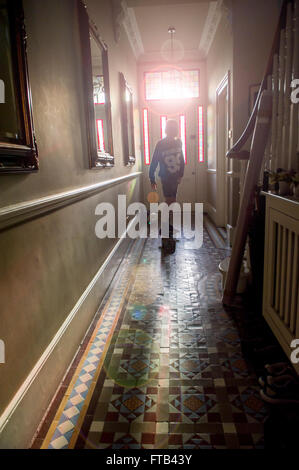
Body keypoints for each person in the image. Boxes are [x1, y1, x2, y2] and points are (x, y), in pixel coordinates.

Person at [149, 119, 185, 207]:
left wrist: (180, 175)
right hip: (167, 176)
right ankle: (168, 218)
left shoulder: (177, 142)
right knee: (170, 199)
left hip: (173, 176)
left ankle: (169, 218)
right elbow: (154, 161)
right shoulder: (162, 143)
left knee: (172, 199)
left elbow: (181, 160)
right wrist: (152, 178)